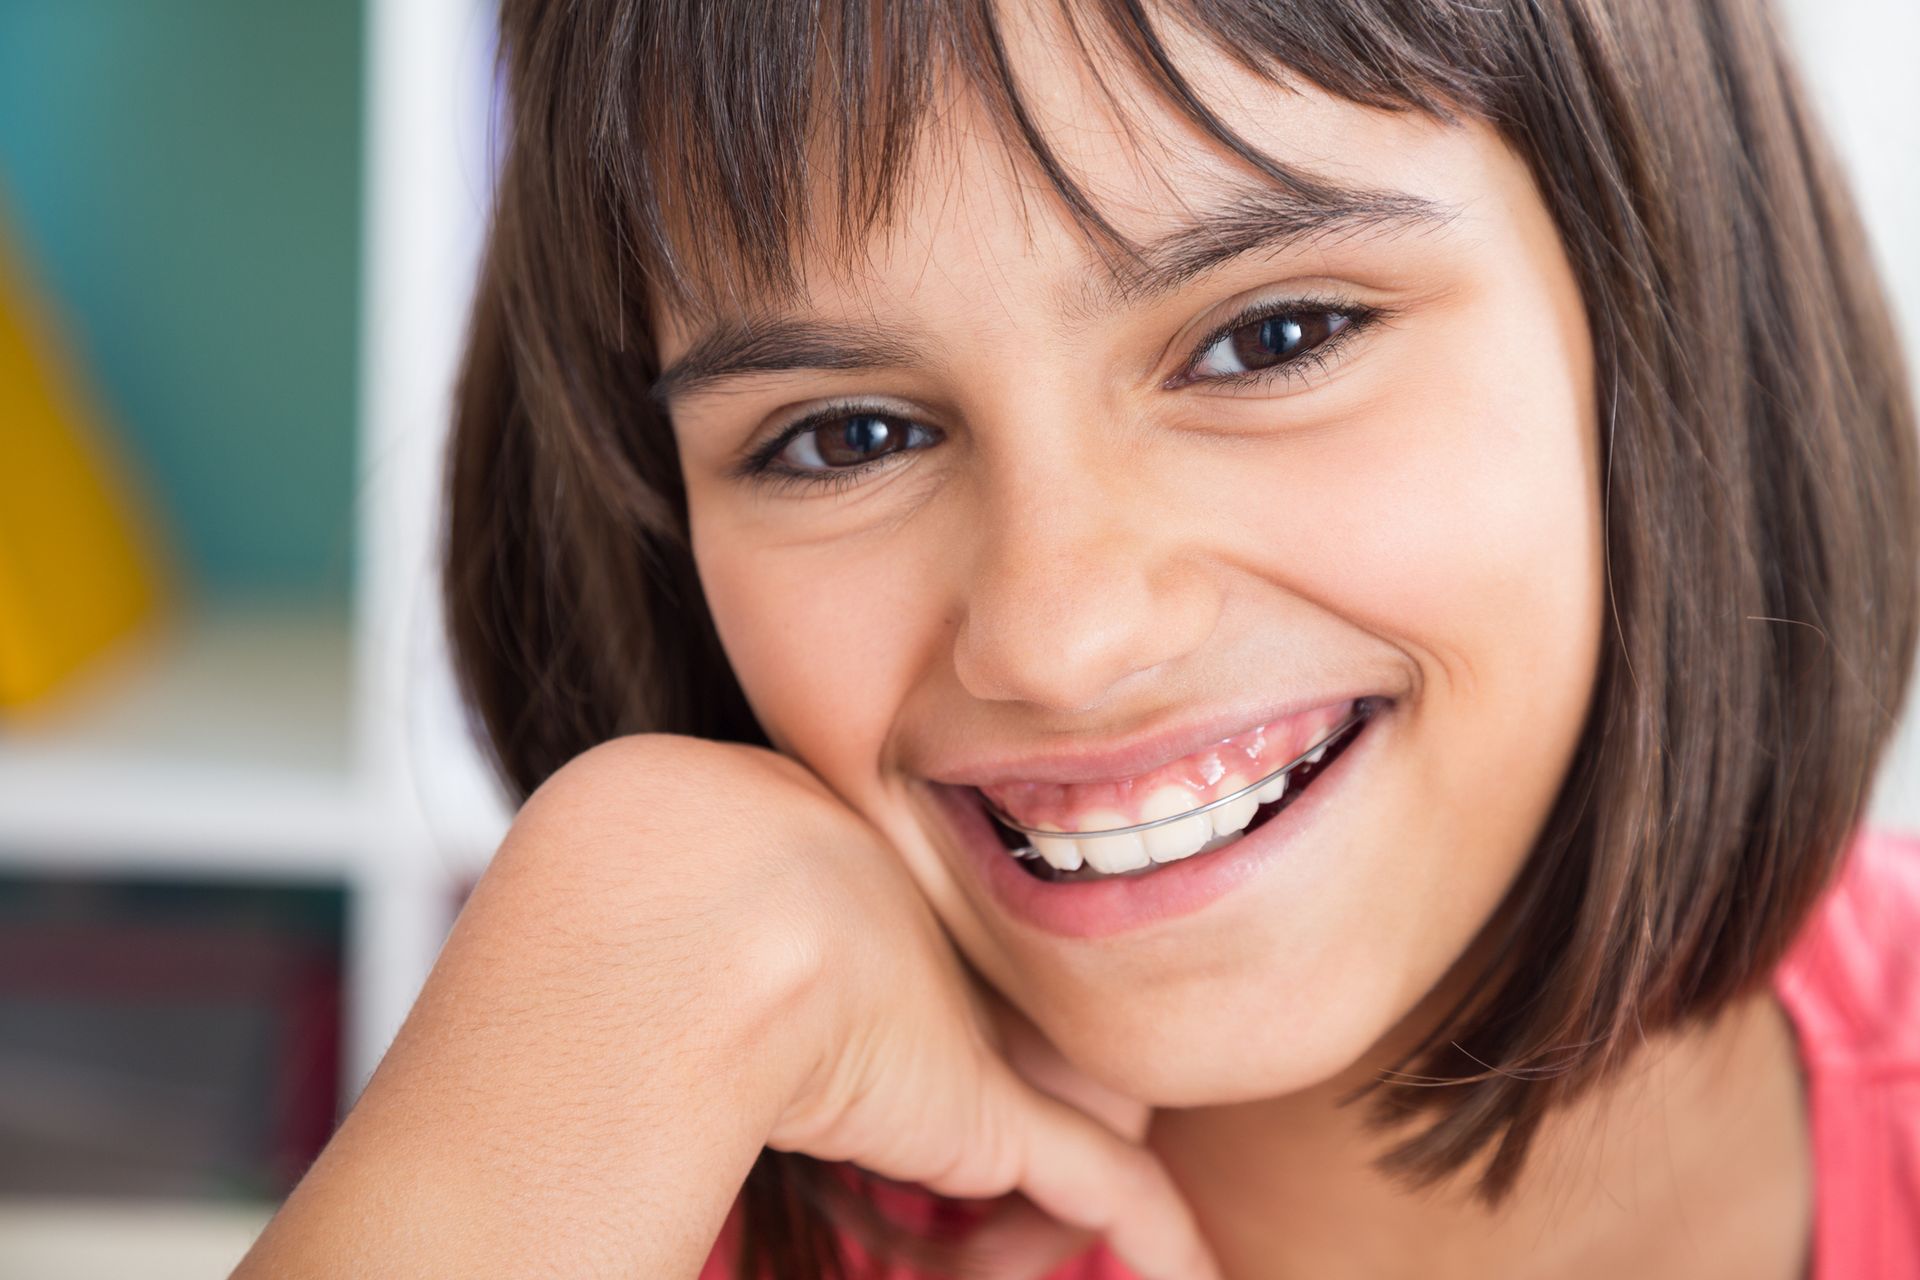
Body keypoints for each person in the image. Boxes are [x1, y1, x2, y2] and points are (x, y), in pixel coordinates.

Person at [234, 0, 1920, 1276]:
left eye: (1273, 336)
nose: (1061, 636)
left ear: (1669, 312)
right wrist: (600, 1010)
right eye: (846, 438)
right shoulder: (602, 1193)